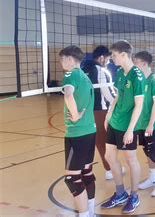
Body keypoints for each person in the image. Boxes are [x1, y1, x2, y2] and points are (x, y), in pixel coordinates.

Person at [101, 40, 143, 213]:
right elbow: (118, 95)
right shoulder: (119, 72)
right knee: (109, 157)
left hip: (127, 125)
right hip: (115, 122)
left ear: (124, 55)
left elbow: (139, 105)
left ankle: (134, 195)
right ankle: (120, 193)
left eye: (114, 55)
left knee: (131, 160)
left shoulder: (137, 75)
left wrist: (131, 129)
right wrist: (109, 113)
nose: (112, 58)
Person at [60, 45, 96, 217]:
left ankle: (84, 214)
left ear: (69, 59)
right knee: (86, 172)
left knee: (72, 179)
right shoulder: (85, 77)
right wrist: (79, 113)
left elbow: (68, 95)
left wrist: (74, 115)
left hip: (77, 133)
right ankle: (90, 211)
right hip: (90, 131)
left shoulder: (71, 74)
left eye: (62, 59)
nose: (61, 62)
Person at [81, 45, 123, 180]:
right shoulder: (101, 71)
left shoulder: (82, 70)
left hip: (87, 112)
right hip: (101, 112)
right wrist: (122, 102)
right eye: (108, 59)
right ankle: (110, 168)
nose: (109, 62)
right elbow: (108, 95)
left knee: (98, 141)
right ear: (101, 58)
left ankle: (107, 168)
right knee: (107, 141)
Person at [133, 51, 155, 197]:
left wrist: (151, 124)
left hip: (150, 124)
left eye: (136, 63)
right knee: (146, 151)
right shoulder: (139, 80)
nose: (134, 66)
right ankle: (152, 177)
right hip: (140, 123)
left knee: (153, 152)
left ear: (144, 64)